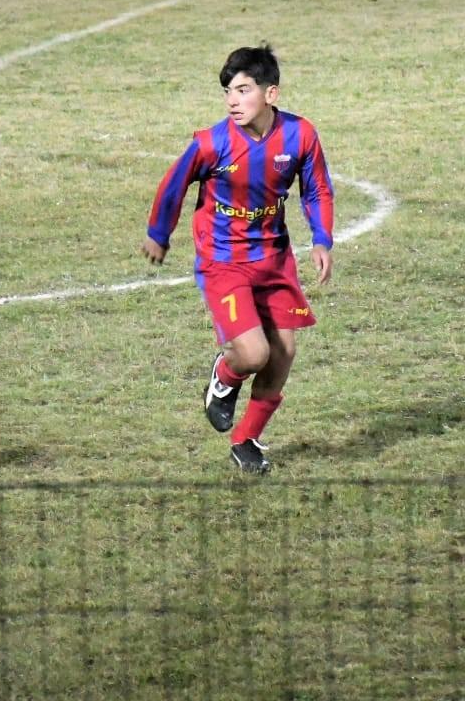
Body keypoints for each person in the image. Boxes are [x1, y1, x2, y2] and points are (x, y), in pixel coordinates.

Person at [143, 45, 334, 474]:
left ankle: (245, 439)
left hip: (273, 258)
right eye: (228, 90)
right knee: (252, 355)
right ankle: (225, 377)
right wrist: (159, 233)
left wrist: (322, 238)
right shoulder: (211, 144)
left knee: (283, 352)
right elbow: (173, 184)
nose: (232, 100)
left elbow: (317, 188)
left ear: (271, 94)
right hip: (224, 260)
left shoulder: (300, 135)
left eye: (243, 89)